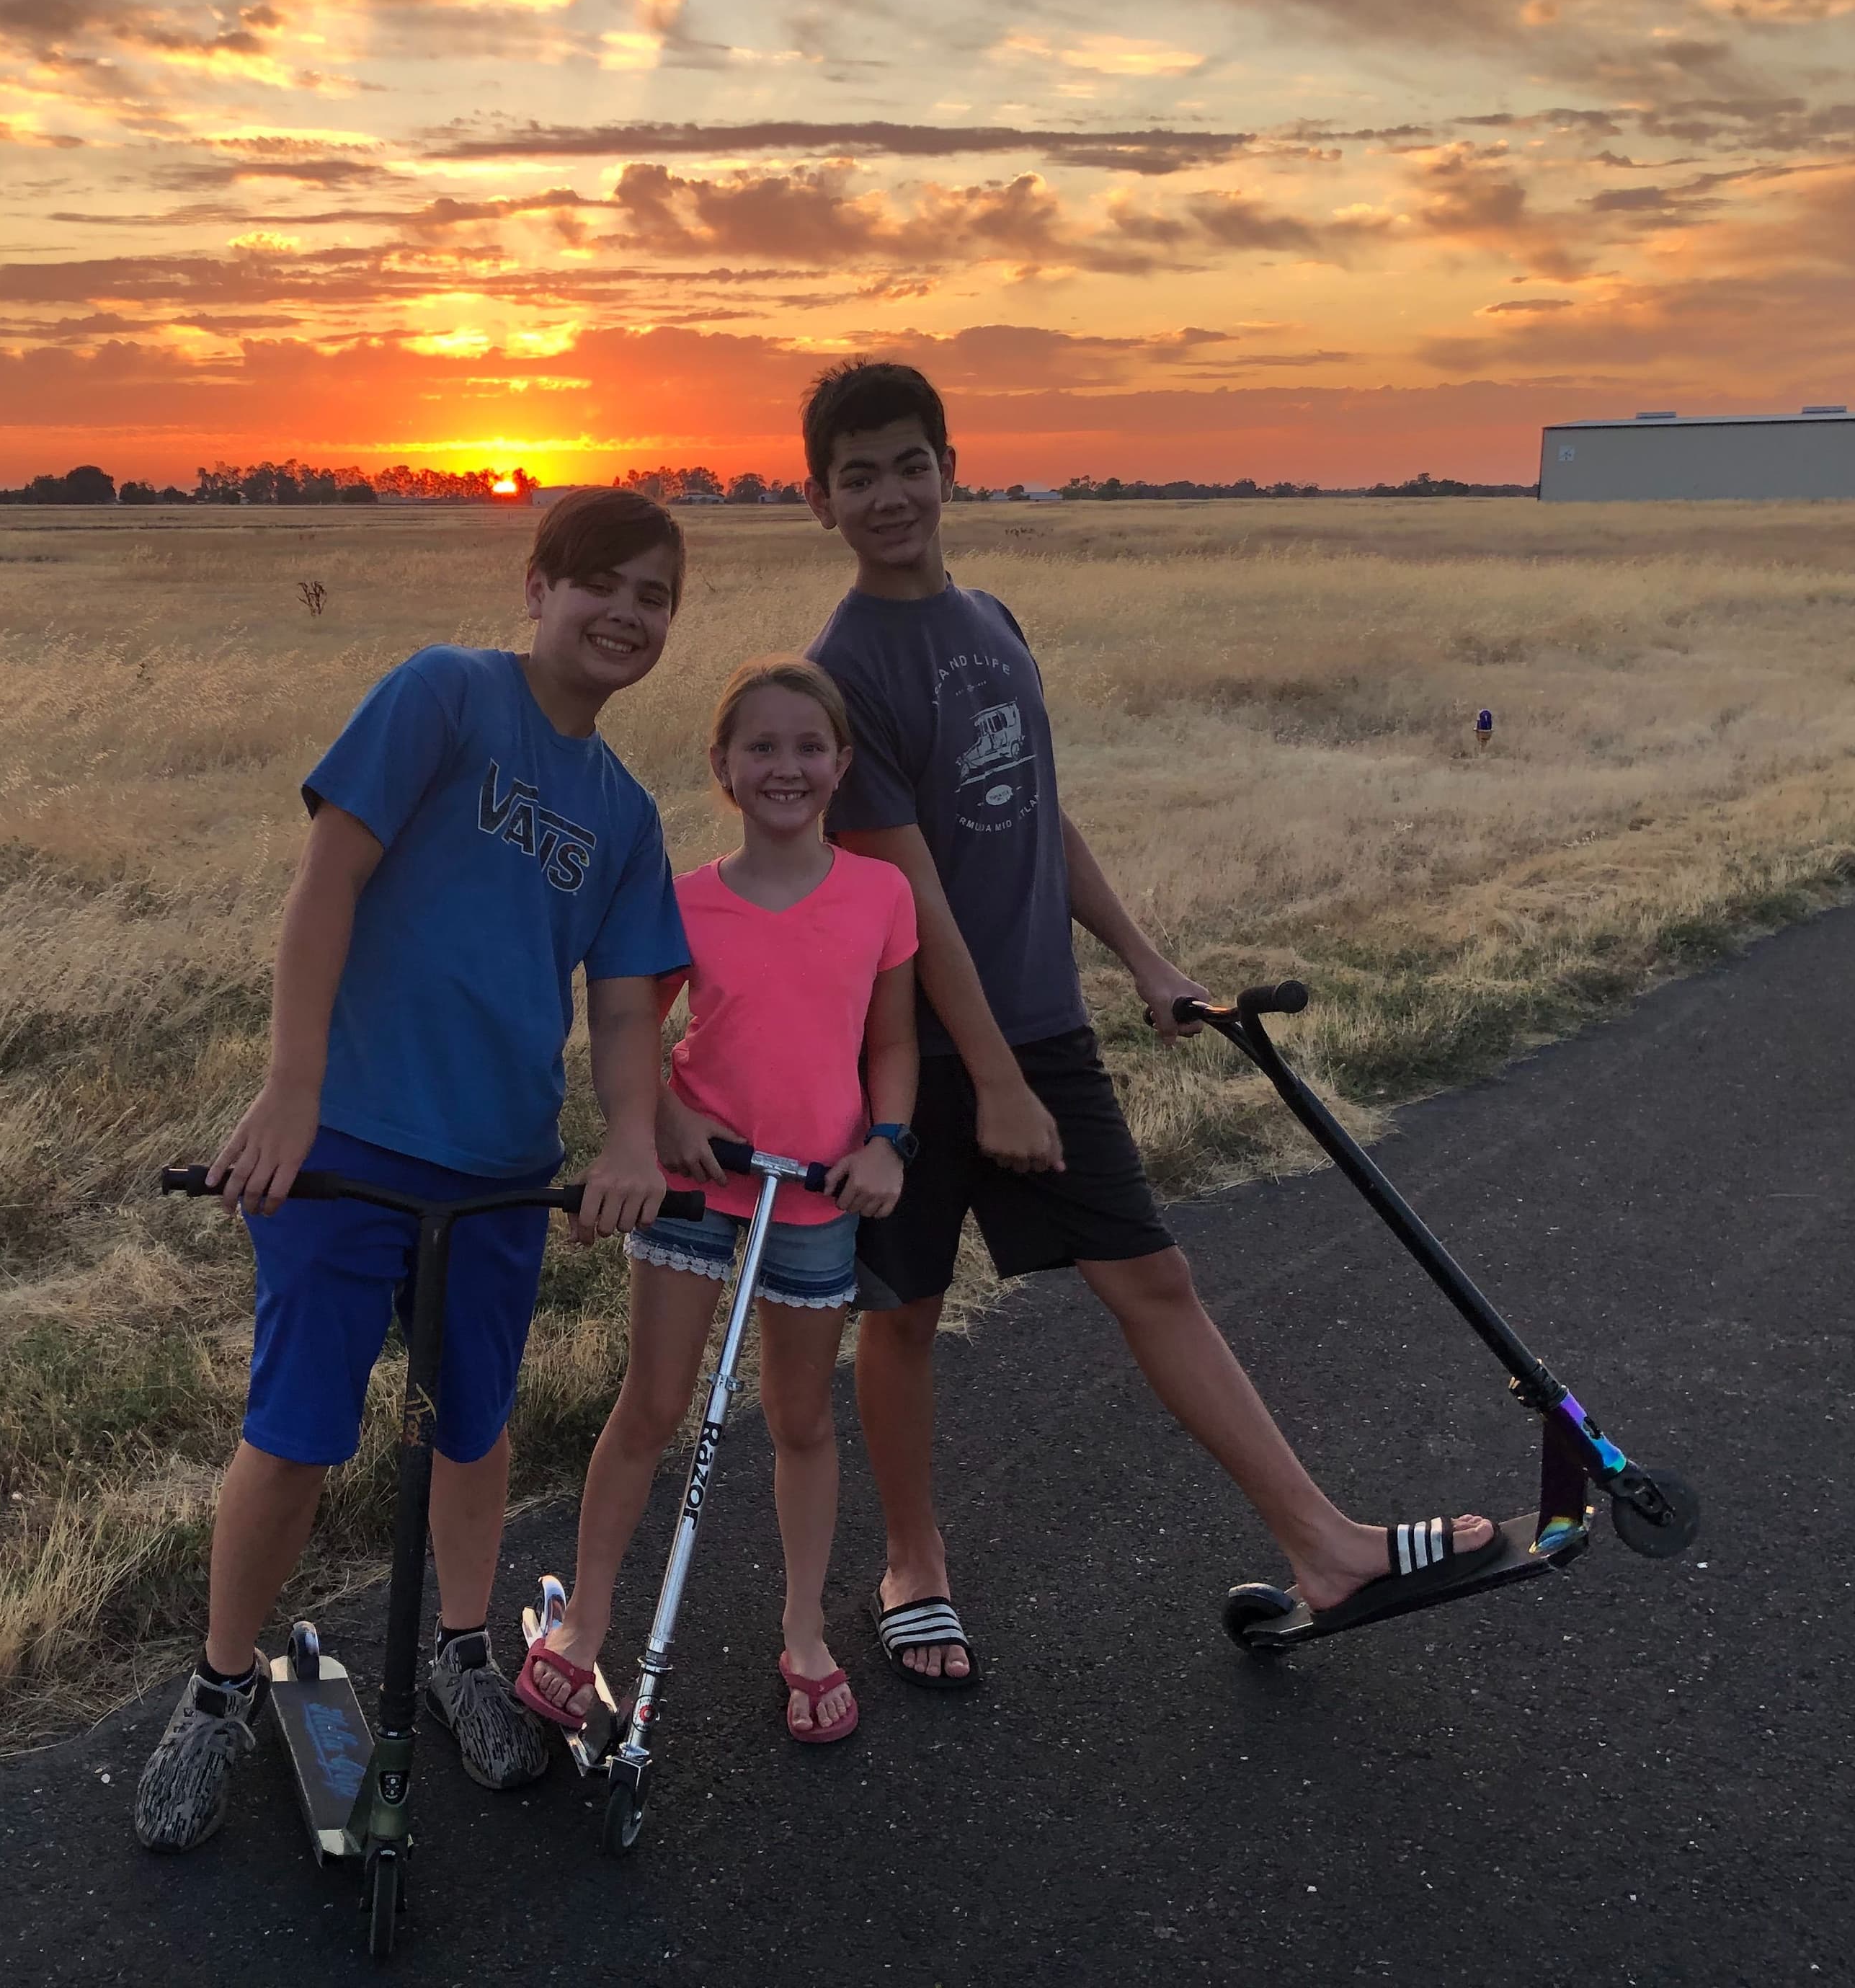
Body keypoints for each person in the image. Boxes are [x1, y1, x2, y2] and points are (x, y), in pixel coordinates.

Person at [797, 360, 1496, 1687]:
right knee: (904, 1316)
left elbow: (1036, 813)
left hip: (1039, 1034)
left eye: (908, 464)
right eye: (857, 476)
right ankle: (912, 1565)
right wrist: (993, 1081)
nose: (889, 494)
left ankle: (1325, 1546)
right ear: (818, 502)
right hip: (916, 1053)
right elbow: (914, 897)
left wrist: (1142, 958)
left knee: (1153, 1279)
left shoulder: (992, 622)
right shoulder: (844, 673)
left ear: (952, 464)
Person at [134, 488, 693, 1851]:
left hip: (500, 1169)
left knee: (473, 1426)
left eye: (656, 598)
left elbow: (624, 1013)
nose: (625, 615)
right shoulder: (444, 696)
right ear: (537, 588)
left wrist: (627, 1140)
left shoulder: (622, 813)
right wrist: (290, 1094)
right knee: (299, 1427)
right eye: (600, 585)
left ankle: (459, 1655)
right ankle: (216, 1690)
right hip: (350, 1153)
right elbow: (328, 880)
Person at [517, 656, 918, 1744]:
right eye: (760, 748)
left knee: (797, 1419)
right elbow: (634, 1029)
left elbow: (891, 1042)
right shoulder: (686, 898)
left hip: (817, 1194)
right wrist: (662, 1126)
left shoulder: (880, 893)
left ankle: (802, 1631)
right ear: (723, 768)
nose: (784, 767)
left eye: (806, 747)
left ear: (840, 762)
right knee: (652, 1406)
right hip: (703, 1191)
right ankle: (585, 1627)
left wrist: (887, 1144)